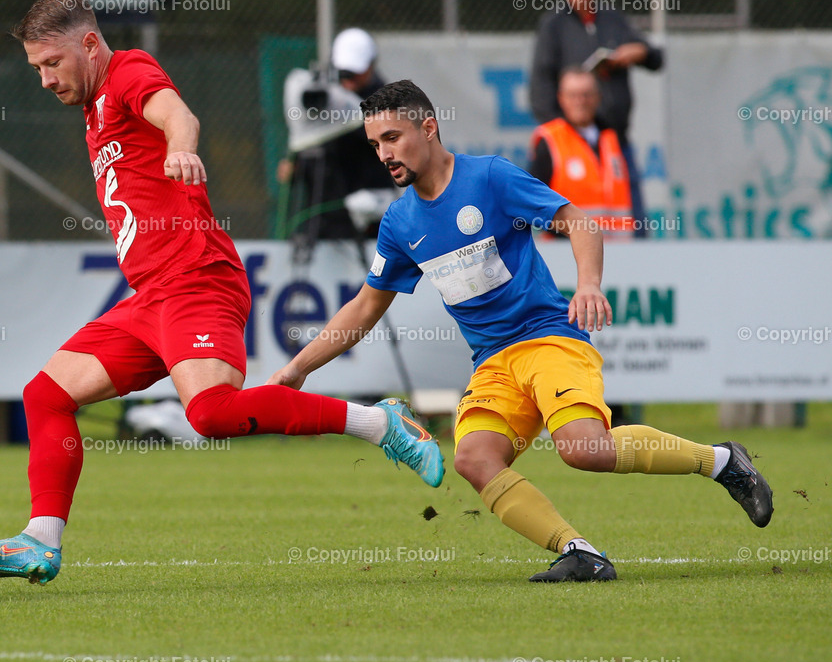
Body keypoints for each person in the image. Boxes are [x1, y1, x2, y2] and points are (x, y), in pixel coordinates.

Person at [0, 0, 444, 586]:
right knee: (44, 396)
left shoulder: (126, 72)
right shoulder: (93, 103)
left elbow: (178, 115)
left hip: (197, 278)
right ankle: (41, 541)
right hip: (150, 296)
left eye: (51, 64)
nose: (44, 79)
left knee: (210, 415)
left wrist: (182, 150)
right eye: (36, 67)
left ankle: (382, 425)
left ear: (89, 44)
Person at [268, 80, 774, 582]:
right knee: (473, 458)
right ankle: (580, 553)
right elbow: (363, 308)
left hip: (547, 337)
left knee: (583, 450)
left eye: (393, 138)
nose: (384, 154)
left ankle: (723, 462)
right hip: (491, 362)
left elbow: (580, 222)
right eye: (375, 144)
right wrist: (295, 370)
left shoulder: (488, 178)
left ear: (429, 126)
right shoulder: (399, 222)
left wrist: (589, 286)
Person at [530, 0, 663, 238]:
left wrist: (641, 51)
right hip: (570, 146)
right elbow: (541, 86)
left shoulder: (613, 20)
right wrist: (567, 134)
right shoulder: (554, 25)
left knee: (630, 222)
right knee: (569, 224)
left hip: (614, 140)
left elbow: (656, 59)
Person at [278, 28, 395, 260]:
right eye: (343, 75)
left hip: (367, 224)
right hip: (320, 224)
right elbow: (310, 142)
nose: (348, 83)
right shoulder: (324, 95)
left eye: (355, 75)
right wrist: (295, 168)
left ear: (371, 66)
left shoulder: (386, 103)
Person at [529, 67, 633, 240]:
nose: (580, 101)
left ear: (598, 97)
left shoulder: (611, 138)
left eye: (586, 94)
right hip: (569, 251)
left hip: (617, 251)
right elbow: (533, 202)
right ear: (561, 98)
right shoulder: (550, 140)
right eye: (573, 95)